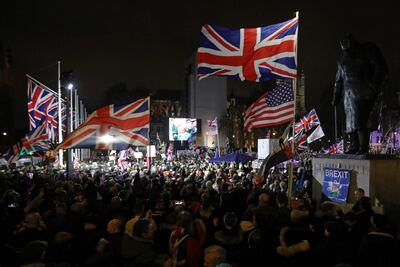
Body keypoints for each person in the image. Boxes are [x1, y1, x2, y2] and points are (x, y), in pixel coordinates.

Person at [332, 34, 388, 154]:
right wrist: (336, 97)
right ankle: (354, 146)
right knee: (350, 123)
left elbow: (381, 67)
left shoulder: (367, 50)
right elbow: (338, 81)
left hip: (363, 91)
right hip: (348, 95)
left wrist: (374, 85)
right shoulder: (343, 61)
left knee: (361, 120)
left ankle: (363, 147)